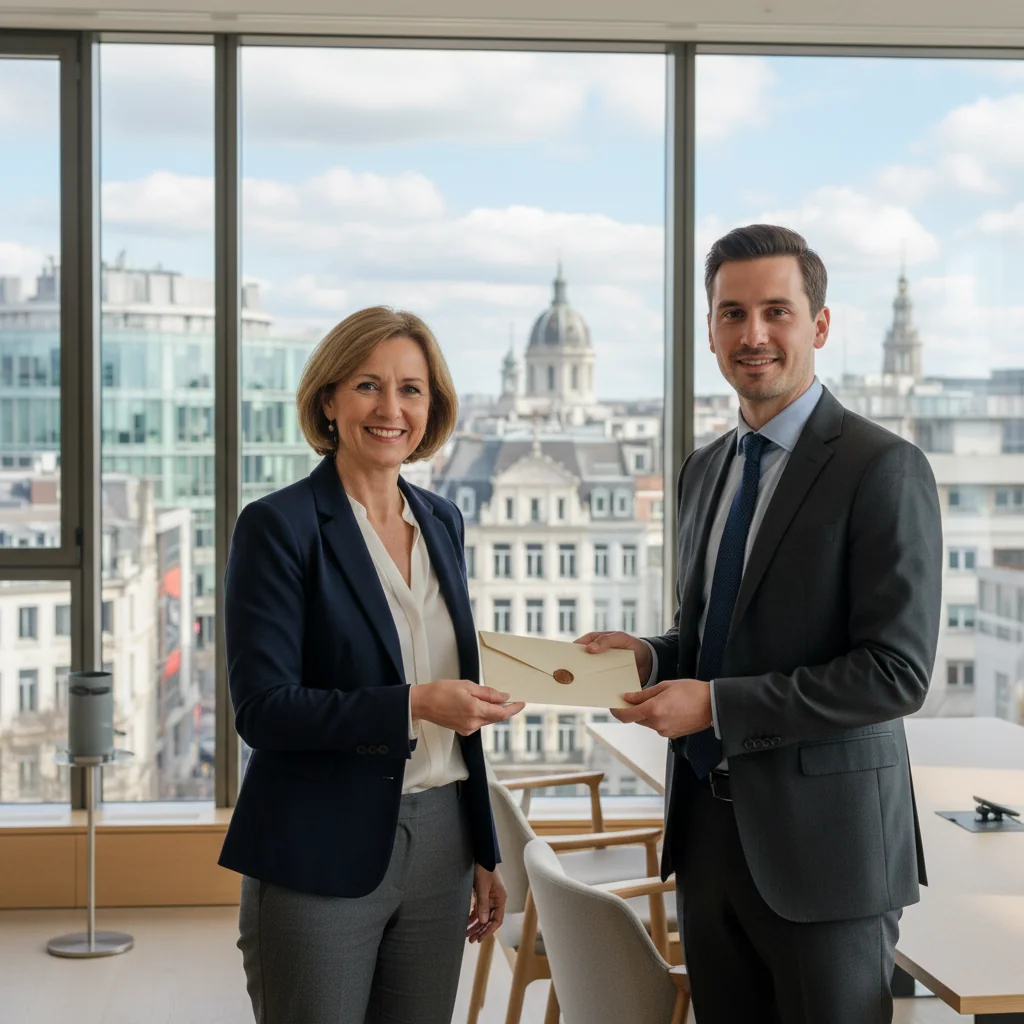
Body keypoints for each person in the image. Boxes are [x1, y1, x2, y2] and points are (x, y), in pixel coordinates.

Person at [579, 225, 942, 1023]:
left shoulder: (882, 468)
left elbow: (896, 672)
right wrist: (648, 653)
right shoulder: (705, 468)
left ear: (818, 325)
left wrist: (716, 706)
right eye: (731, 313)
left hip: (828, 854)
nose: (753, 335)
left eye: (776, 311)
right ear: (709, 330)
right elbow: (711, 636)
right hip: (709, 840)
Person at [219, 305, 525, 1024]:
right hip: (320, 844)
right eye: (367, 385)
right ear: (329, 400)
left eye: (411, 389)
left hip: (443, 839)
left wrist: (484, 848)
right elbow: (263, 709)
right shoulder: (278, 526)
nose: (391, 408)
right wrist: (413, 704)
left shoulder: (442, 520)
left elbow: (461, 704)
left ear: (434, 405)